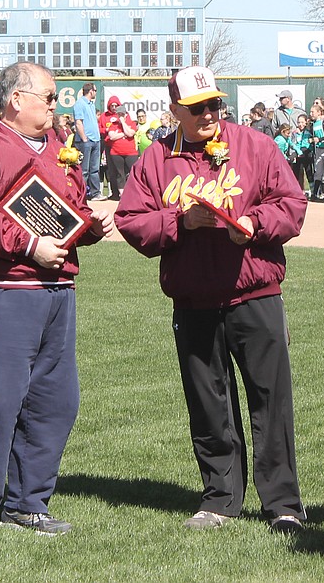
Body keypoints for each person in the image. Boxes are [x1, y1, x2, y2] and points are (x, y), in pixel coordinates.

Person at [115, 65, 307, 534]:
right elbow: (131, 221)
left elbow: (292, 204)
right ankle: (220, 499)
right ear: (175, 110)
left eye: (214, 104)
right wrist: (179, 222)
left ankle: (282, 504)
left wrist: (255, 224)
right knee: (208, 404)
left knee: (270, 401)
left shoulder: (255, 145)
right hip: (194, 299)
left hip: (254, 293)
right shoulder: (156, 158)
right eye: (197, 107)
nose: (208, 114)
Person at [0, 61, 113, 542]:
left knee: (55, 401)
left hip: (57, 287)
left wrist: (89, 225)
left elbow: (68, 209)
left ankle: (29, 502)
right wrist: (28, 245)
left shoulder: (62, 148)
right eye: (48, 95)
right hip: (2, 287)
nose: (55, 103)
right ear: (16, 99)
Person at [72, 82, 105, 201]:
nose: (95, 93)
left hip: (96, 140)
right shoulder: (79, 104)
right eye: (95, 91)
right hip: (86, 141)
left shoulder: (91, 104)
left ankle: (95, 193)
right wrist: (84, 139)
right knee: (84, 170)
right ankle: (81, 195)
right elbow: (78, 122)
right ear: (91, 91)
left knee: (95, 169)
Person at [101, 99, 138, 198]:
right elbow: (112, 136)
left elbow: (130, 133)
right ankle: (122, 196)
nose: (120, 116)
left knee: (133, 172)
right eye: (119, 114)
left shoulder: (131, 123)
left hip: (131, 153)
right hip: (116, 153)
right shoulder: (114, 125)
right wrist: (123, 134)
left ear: (126, 114)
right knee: (119, 174)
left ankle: (134, 194)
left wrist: (123, 123)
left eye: (122, 114)